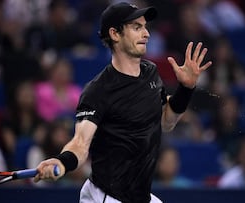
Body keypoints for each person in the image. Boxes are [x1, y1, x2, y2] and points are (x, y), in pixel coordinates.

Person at [34, 2, 212, 203]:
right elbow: (81, 143)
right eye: (137, 27)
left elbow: (165, 122)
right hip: (107, 197)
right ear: (115, 34)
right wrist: (61, 161)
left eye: (145, 27)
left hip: (140, 197)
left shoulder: (150, 72)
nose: (146, 34)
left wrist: (186, 90)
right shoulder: (98, 91)